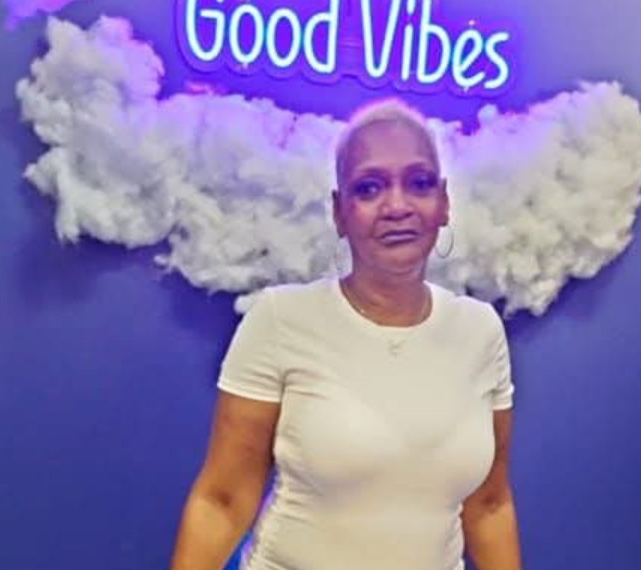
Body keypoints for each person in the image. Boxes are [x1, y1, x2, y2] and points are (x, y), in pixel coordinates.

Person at [168, 98, 523, 570]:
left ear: (443, 203)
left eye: (418, 183)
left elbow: (490, 506)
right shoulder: (280, 319)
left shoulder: (480, 331)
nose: (396, 206)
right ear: (340, 212)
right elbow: (222, 501)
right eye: (369, 188)